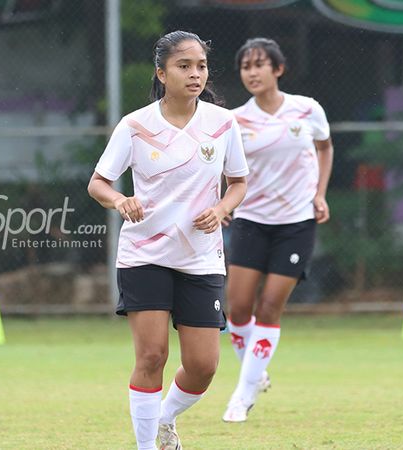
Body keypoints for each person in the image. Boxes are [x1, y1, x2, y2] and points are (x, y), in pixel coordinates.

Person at [88, 30, 248, 450]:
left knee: (203, 366)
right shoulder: (136, 125)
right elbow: (98, 183)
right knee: (152, 356)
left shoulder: (222, 123)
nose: (195, 74)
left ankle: (164, 419)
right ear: (161, 73)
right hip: (145, 253)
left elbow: (239, 182)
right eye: (183, 66)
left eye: (201, 65)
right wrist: (121, 200)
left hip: (200, 258)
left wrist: (221, 209)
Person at [221, 37, 334, 423]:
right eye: (245, 66)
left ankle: (243, 393)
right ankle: (256, 370)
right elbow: (225, 168)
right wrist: (222, 204)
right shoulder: (235, 120)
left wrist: (319, 194)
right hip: (251, 220)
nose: (252, 72)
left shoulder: (307, 109)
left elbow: (325, 147)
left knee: (270, 306)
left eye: (259, 64)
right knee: (237, 310)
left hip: (296, 223)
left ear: (278, 69)